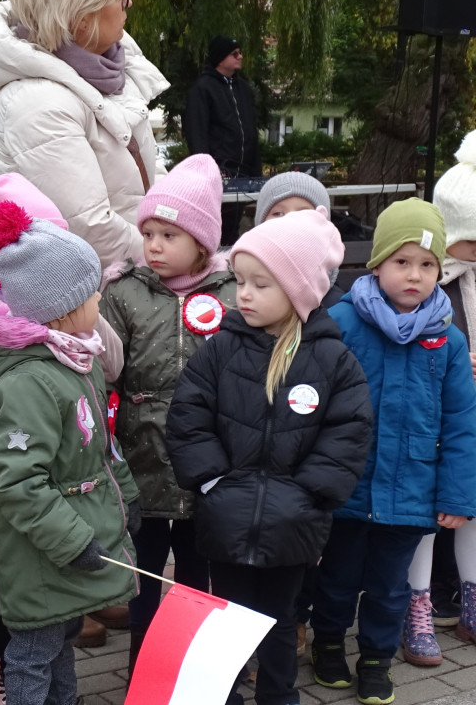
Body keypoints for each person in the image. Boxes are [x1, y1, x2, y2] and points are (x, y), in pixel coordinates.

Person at [0, 173, 129, 704]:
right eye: (92, 294)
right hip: (43, 550)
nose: (100, 302)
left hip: (62, 539)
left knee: (60, 639)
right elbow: (19, 484)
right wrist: (74, 540)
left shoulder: (69, 359)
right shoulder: (28, 382)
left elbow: (98, 445)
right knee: (33, 654)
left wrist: (120, 495)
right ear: (60, 306)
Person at [166, 209, 373, 705]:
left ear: (299, 289)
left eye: (261, 284)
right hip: (226, 516)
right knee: (228, 620)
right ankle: (227, 696)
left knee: (281, 623)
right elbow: (188, 416)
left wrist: (308, 494)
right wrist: (213, 482)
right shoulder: (219, 351)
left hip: (292, 524)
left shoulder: (332, 360)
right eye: (240, 281)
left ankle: (280, 698)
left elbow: (350, 431)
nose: (244, 294)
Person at [309, 198, 476, 705]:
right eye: (402, 262)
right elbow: (313, 407)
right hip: (347, 488)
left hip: (411, 492)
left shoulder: (446, 340)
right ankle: (329, 645)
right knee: (336, 579)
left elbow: (461, 424)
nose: (415, 275)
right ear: (377, 262)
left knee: (390, 589)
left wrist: (457, 495)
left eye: (427, 265)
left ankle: (377, 661)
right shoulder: (341, 324)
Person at [98, 153, 238, 675]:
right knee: (145, 569)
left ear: (201, 242)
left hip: (208, 461)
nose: (153, 245)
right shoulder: (125, 291)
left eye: (168, 235)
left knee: (200, 571)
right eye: (148, 232)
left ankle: (198, 666)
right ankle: (145, 665)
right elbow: (107, 368)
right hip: (141, 458)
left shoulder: (231, 292)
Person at [0, 0, 170, 269]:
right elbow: (89, 229)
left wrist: (184, 222)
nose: (130, 3)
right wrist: (173, 260)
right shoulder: (36, 102)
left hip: (134, 280)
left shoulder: (106, 73)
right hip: (86, 301)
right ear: (82, 16)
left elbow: (150, 175)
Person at [252, 169, 340, 654]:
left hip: (306, 479)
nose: (289, 225)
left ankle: (296, 625)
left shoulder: (335, 318)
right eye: (276, 215)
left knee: (304, 559)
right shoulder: (243, 311)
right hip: (251, 478)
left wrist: (319, 483)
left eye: (301, 216)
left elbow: (347, 417)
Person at [402, 130, 476, 666]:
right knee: (429, 508)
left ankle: (470, 593)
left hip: (469, 417)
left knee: (469, 505)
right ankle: (418, 601)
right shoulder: (429, 286)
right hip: (432, 413)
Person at [185, 34, 261, 179]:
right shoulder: (202, 88)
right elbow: (197, 133)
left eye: (240, 52)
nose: (240, 57)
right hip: (218, 172)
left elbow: (252, 132)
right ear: (220, 58)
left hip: (246, 173)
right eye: (235, 53)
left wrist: (257, 175)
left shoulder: (244, 89)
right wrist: (207, 172)